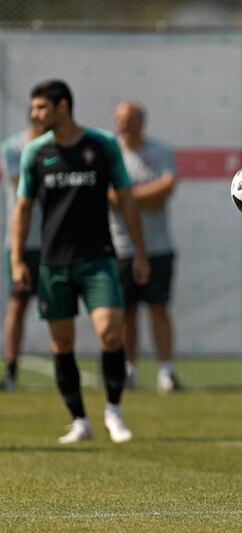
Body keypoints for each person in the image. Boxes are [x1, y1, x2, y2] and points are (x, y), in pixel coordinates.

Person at [11, 80, 150, 444]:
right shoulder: (35, 152)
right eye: (33, 108)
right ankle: (79, 421)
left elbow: (127, 198)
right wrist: (17, 259)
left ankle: (114, 411)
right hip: (53, 263)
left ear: (63, 107)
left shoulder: (102, 145)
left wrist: (139, 251)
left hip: (98, 259)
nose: (34, 114)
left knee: (110, 331)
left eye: (41, 107)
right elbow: (23, 208)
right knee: (62, 343)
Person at [109, 101, 180, 394]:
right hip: (121, 247)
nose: (123, 125)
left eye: (129, 119)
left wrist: (129, 197)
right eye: (119, 119)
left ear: (141, 122)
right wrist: (143, 197)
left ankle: (166, 371)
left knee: (159, 308)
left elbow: (166, 188)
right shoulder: (109, 152)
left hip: (158, 247)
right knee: (126, 312)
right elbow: (110, 196)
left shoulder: (160, 151)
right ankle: (129, 369)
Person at [1, 118, 45, 391]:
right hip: (20, 243)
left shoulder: (61, 146)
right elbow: (24, 187)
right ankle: (11, 373)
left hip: (54, 244)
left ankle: (66, 371)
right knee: (17, 305)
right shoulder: (13, 147)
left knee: (57, 310)